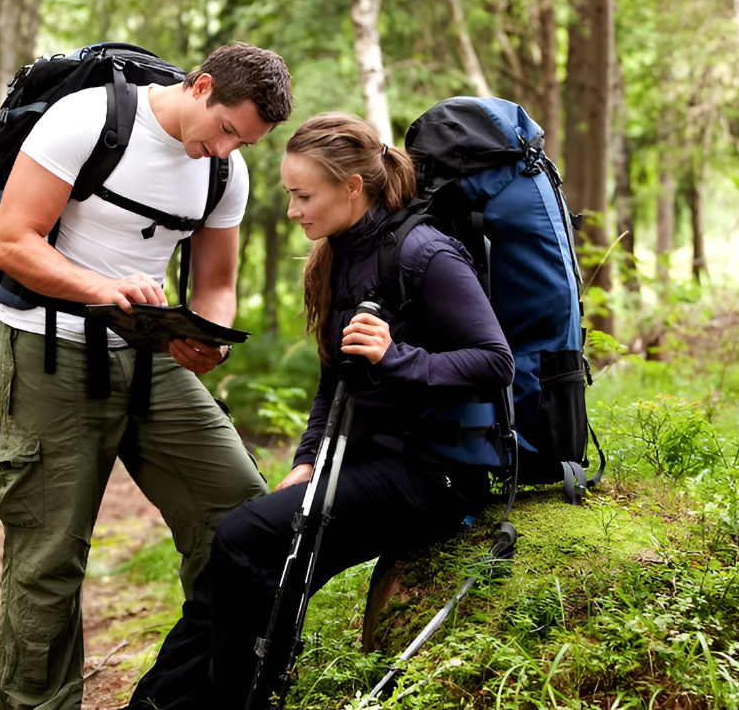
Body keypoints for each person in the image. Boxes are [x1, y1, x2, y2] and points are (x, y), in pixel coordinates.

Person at [124, 112, 515, 710]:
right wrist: (308, 460)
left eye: (303, 196)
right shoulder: (339, 255)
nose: (292, 211)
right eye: (289, 194)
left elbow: (495, 362)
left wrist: (399, 358)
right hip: (366, 461)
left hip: (435, 473)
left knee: (241, 535)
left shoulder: (424, 253)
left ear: (351, 187)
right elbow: (337, 376)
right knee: (244, 569)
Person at [0, 42, 293, 710]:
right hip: (47, 348)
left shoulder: (225, 173)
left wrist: (208, 338)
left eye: (245, 143)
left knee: (241, 512)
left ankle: (202, 692)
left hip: (150, 357)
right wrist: (102, 286)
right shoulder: (87, 120)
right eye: (227, 130)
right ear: (202, 86)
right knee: (50, 556)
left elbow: (217, 284)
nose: (226, 150)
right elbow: (11, 241)